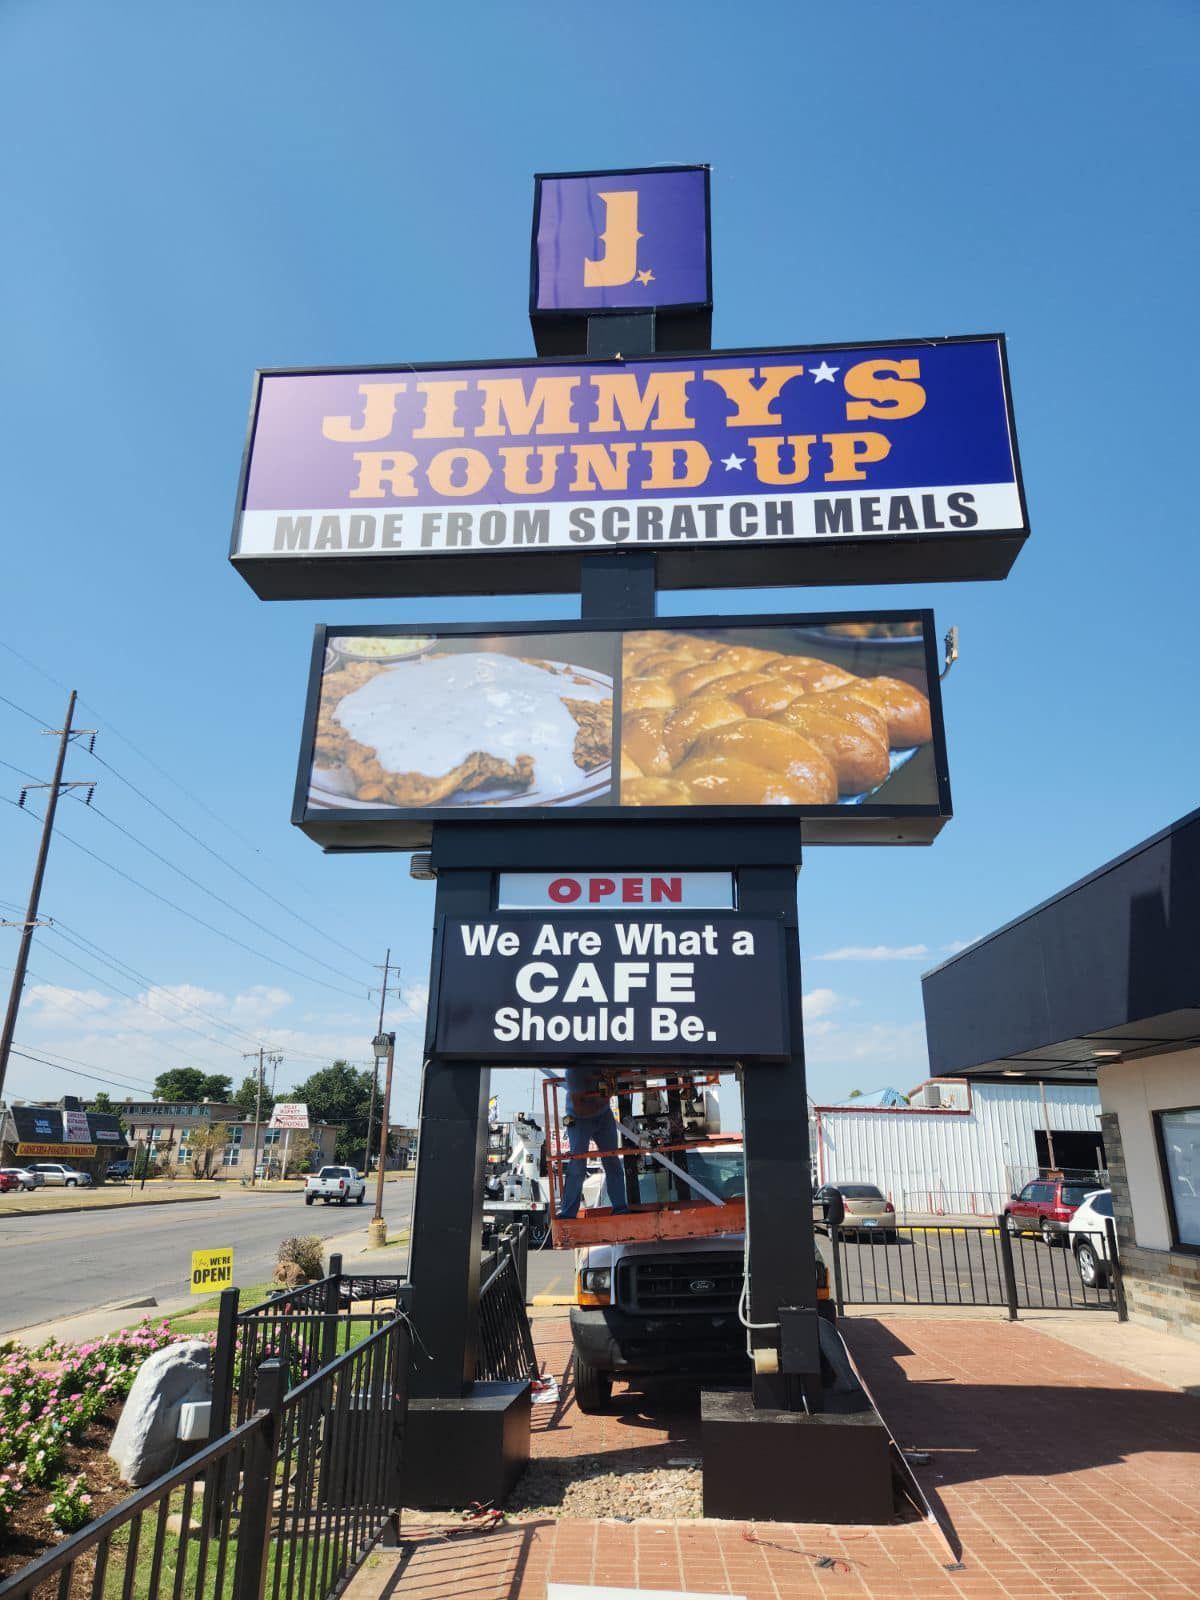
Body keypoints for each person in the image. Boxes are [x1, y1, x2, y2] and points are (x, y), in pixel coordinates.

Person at [558, 1067, 629, 1219]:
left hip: (603, 1115)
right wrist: (603, 1100)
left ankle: (620, 1208)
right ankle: (568, 1213)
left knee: (612, 1161)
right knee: (577, 1164)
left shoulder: (605, 1067)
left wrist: (613, 1076)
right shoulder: (575, 1072)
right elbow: (580, 1109)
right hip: (578, 1118)